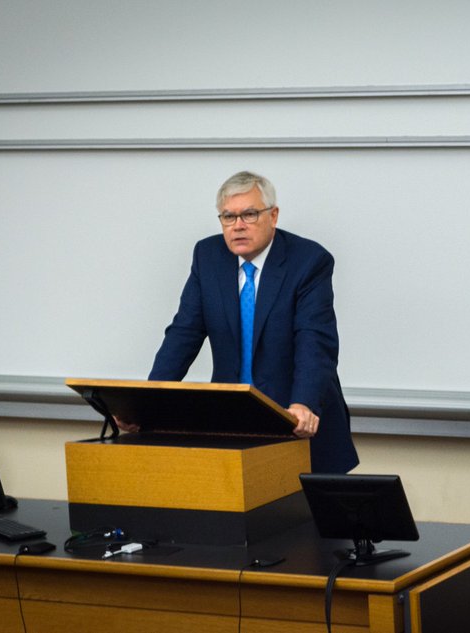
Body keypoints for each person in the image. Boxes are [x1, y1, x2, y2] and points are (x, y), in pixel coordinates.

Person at [133, 171, 358, 473]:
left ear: (273, 216)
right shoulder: (208, 256)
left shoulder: (309, 261)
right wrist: (146, 403)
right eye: (228, 217)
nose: (238, 225)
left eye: (249, 214)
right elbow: (183, 334)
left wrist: (303, 404)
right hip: (233, 422)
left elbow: (314, 340)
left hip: (296, 421)